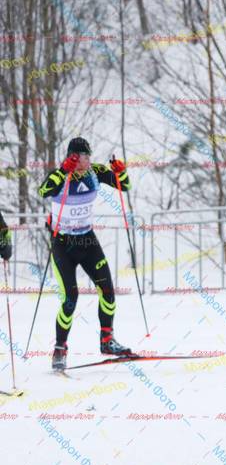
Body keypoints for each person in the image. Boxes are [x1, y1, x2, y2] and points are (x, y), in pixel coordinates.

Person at [38, 137, 133, 370]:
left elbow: (124, 186)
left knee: (108, 291)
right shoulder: (60, 175)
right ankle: (60, 349)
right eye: (82, 157)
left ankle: (107, 340)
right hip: (63, 244)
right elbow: (43, 190)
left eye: (88, 156)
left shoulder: (95, 172)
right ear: (72, 157)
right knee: (70, 299)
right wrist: (64, 171)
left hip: (88, 241)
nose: (87, 161)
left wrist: (120, 172)